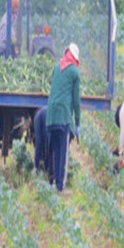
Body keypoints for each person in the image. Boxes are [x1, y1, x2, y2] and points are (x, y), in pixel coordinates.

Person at [46, 43, 80, 193]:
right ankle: (61, 187)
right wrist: (77, 123)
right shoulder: (74, 72)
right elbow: (76, 101)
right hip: (63, 116)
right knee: (63, 152)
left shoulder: (56, 67)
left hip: (51, 115)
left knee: (55, 151)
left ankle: (53, 182)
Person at [33, 105, 53, 182]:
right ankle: (37, 166)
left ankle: (44, 166)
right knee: (40, 143)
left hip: (45, 117)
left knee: (46, 143)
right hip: (41, 117)